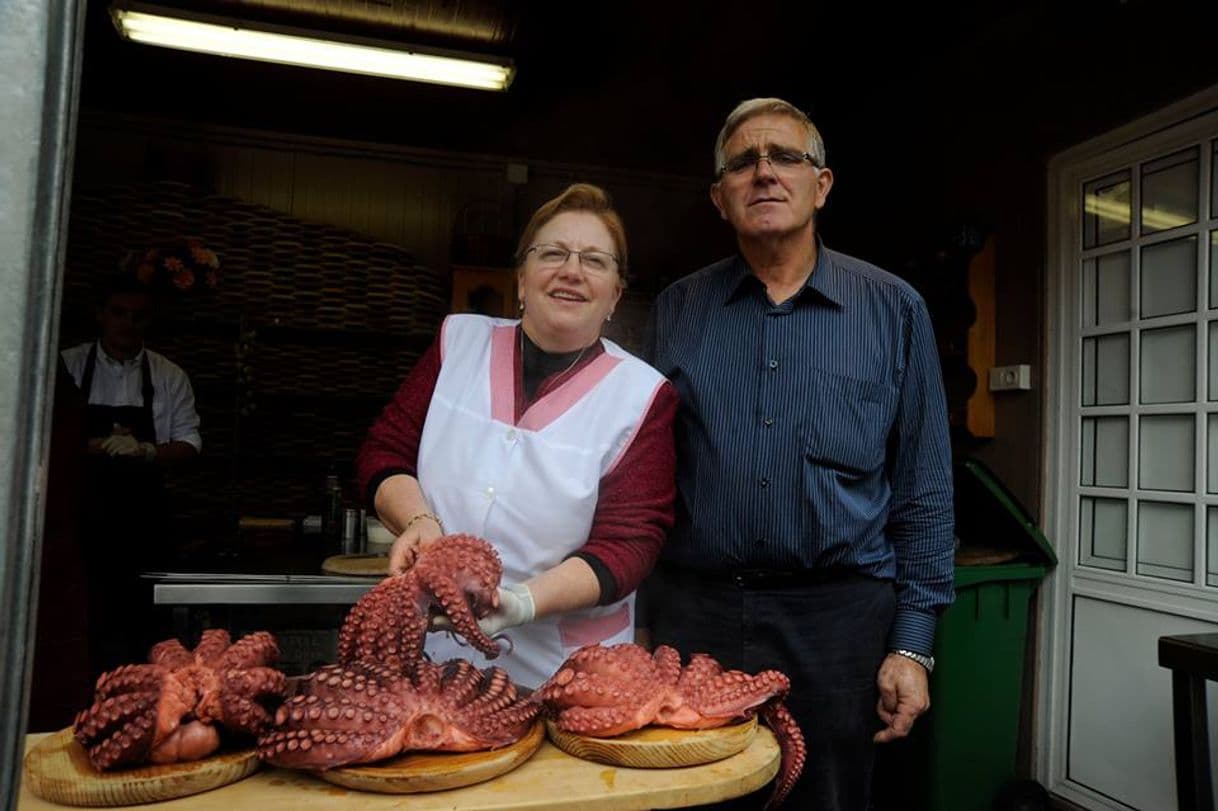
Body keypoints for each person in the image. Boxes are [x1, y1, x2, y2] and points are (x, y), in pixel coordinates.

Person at [644, 98, 955, 810]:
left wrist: (911, 645)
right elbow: (645, 473)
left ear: (822, 184)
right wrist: (634, 617)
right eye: (742, 162)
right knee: (689, 798)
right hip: (698, 617)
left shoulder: (893, 307)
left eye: (786, 156)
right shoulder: (677, 310)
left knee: (828, 798)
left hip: (840, 625)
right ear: (719, 197)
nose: (764, 172)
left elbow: (925, 489)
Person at [356, 183, 677, 689]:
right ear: (522, 279)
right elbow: (385, 450)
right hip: (431, 656)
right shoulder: (457, 342)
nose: (571, 271)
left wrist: (523, 601)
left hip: (567, 673)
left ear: (616, 294)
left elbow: (631, 542)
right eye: (552, 253)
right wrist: (417, 520)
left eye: (595, 260)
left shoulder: (642, 395)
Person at [60, 262, 204, 670]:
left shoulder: (168, 375)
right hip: (80, 528)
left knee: (144, 636)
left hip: (145, 528)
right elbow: (39, 438)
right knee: (84, 629)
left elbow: (191, 444)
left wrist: (145, 451)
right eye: (118, 312)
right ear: (100, 314)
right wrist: (89, 446)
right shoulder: (67, 366)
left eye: (137, 315)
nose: (127, 322)